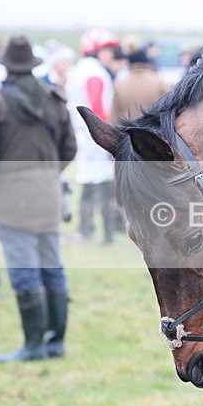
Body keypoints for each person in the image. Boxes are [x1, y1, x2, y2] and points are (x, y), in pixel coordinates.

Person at [0, 36, 77, 362]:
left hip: (10, 198)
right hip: (48, 194)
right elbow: (69, 147)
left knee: (24, 270)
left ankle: (34, 346)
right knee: (52, 266)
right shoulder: (54, 99)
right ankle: (55, 343)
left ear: (6, 67)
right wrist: (48, 173)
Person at [65, 29, 122, 244]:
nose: (111, 55)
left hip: (82, 135)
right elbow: (97, 109)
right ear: (95, 51)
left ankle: (86, 229)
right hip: (96, 136)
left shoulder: (78, 71)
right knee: (105, 183)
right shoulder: (96, 73)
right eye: (107, 50)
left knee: (87, 181)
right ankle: (107, 234)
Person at [111, 46, 170, 122]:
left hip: (127, 127)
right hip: (152, 127)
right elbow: (168, 109)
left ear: (129, 62)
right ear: (146, 61)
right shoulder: (160, 82)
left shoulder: (119, 84)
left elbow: (114, 114)